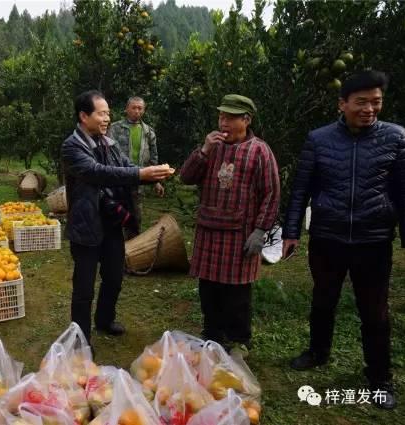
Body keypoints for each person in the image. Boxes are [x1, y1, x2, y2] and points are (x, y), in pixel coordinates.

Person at [282, 70, 405, 410]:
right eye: (361, 102)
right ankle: (318, 352)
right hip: (327, 236)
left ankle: (380, 378)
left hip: (374, 239)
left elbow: (404, 191)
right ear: (343, 104)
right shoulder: (319, 140)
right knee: (323, 300)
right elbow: (301, 190)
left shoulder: (396, 138)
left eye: (376, 102)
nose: (369, 109)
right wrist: (292, 232)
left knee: (375, 311)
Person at [62, 90, 173, 345]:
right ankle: (80, 338)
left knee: (113, 276)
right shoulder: (72, 146)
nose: (106, 119)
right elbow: (97, 172)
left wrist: (151, 174)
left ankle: (104, 319)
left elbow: (123, 167)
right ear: (83, 116)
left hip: (110, 222)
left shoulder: (108, 143)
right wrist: (141, 174)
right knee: (84, 288)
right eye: (101, 113)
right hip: (86, 225)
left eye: (108, 114)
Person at [180, 94, 280, 357]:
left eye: (230, 117)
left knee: (237, 293)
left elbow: (271, 193)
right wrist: (203, 150)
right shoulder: (212, 148)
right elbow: (186, 177)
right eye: (221, 116)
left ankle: (239, 340)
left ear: (246, 120)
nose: (222, 122)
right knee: (209, 288)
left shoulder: (260, 151)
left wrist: (260, 231)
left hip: (240, 234)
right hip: (209, 229)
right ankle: (212, 334)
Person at [108, 96, 164, 239]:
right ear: (127, 109)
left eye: (140, 108)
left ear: (144, 110)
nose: (137, 111)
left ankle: (132, 252)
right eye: (134, 107)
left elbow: (153, 156)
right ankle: (114, 249)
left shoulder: (148, 131)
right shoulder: (114, 128)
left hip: (138, 181)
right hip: (117, 180)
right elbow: (108, 154)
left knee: (135, 218)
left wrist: (156, 180)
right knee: (114, 214)